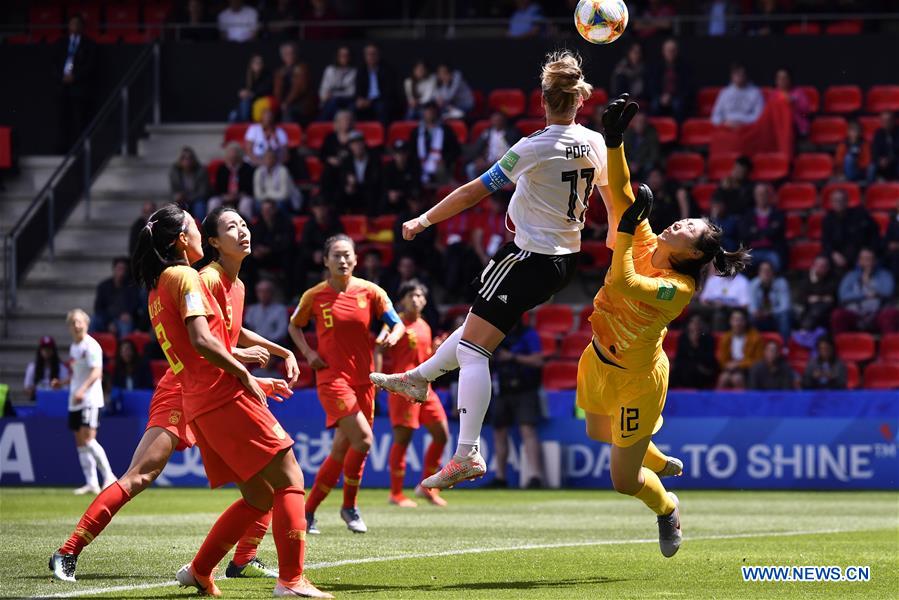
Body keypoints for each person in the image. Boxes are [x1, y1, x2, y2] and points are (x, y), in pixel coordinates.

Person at [49, 205, 330, 597]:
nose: (243, 230)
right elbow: (204, 340)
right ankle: (69, 550)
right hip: (192, 388)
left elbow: (222, 333)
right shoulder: (198, 277)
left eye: (244, 224)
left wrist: (275, 354)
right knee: (144, 475)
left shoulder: (211, 282)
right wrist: (245, 370)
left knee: (261, 493)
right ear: (192, 239)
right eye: (225, 226)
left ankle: (229, 562)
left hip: (203, 386)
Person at [372, 51, 612, 490]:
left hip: (529, 257)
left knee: (473, 351)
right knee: (473, 329)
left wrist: (423, 220)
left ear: (543, 99)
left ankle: (467, 453)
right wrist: (616, 235)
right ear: (581, 100)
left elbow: (473, 192)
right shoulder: (596, 142)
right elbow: (612, 193)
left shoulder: (534, 146)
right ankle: (417, 379)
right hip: (565, 260)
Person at [576, 97, 749, 558]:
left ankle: (667, 506)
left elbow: (623, 282)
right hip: (598, 356)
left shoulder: (680, 288)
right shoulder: (647, 238)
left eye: (691, 227)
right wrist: (615, 142)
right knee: (598, 433)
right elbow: (623, 192)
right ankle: (650, 451)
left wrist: (626, 230)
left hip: (638, 379)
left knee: (622, 480)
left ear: (693, 253)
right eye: (688, 219)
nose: (682, 221)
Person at [289, 234, 405, 535]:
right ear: (325, 261)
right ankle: (349, 506)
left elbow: (397, 322)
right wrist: (308, 353)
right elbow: (294, 325)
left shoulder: (371, 291)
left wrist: (393, 335)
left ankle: (308, 512)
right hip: (332, 379)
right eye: (336, 255)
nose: (342, 260)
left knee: (342, 448)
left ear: (356, 259)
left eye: (347, 255)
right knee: (364, 440)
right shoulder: (314, 295)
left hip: (365, 380)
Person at [374, 280, 449, 507]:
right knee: (403, 439)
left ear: (425, 301)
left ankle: (427, 488)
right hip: (403, 388)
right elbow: (378, 347)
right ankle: (396, 494)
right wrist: (379, 377)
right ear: (402, 300)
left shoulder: (425, 326)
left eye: (419, 296)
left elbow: (425, 359)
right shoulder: (394, 323)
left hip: (426, 388)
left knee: (442, 435)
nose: (416, 300)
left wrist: (436, 350)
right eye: (411, 296)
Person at [65, 309, 115, 495]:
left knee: (88, 439)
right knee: (80, 442)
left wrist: (82, 390)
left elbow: (96, 372)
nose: (76, 325)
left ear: (86, 324)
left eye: (79, 322)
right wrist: (62, 383)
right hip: (75, 399)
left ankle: (109, 476)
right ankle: (91, 482)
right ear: (69, 327)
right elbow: (76, 373)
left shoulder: (91, 346)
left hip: (89, 399)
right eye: (73, 322)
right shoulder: (74, 347)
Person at [491, 319, 545, 489]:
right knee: (499, 432)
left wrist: (512, 357)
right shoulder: (496, 334)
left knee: (527, 430)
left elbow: (538, 360)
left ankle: (535, 477)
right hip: (501, 388)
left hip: (525, 389)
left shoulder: (528, 334)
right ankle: (500, 477)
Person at [54, 13, 96, 153]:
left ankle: (79, 149)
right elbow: (53, 63)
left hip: (79, 88)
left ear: (82, 27)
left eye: (78, 24)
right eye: (72, 23)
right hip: (62, 87)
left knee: (79, 119)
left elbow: (90, 65)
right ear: (68, 26)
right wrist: (62, 77)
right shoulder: (61, 43)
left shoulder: (89, 44)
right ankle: (61, 149)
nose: (75, 27)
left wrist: (75, 77)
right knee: (62, 120)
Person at [830, 248, 897, 333]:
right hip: (854, 313)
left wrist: (867, 282)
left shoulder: (884, 275)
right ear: (859, 261)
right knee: (838, 315)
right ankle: (841, 341)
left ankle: (890, 341)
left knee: (890, 314)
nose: (867, 262)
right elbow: (843, 296)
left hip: (877, 313)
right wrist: (865, 295)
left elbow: (887, 292)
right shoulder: (850, 276)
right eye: (864, 259)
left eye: (870, 259)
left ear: (875, 261)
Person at [822, 188, 880, 271]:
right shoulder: (828, 219)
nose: (839, 203)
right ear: (831, 203)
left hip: (859, 253)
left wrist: (868, 250)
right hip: (837, 254)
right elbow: (825, 241)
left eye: (841, 200)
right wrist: (833, 254)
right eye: (835, 201)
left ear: (847, 201)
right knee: (821, 262)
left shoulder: (860, 214)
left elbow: (874, 234)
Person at [410, 101, 462, 186]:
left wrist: (444, 160)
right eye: (428, 111)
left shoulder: (446, 130)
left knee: (441, 170)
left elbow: (456, 150)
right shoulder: (416, 132)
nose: (430, 113)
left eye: (432, 111)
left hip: (441, 165)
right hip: (420, 164)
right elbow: (411, 152)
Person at [738, 183, 786, 272]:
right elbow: (744, 234)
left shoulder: (777, 214)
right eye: (759, 194)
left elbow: (777, 232)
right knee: (741, 264)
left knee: (776, 261)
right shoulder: (748, 215)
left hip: (771, 250)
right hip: (753, 251)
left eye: (764, 194)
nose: (761, 197)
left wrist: (756, 232)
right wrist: (768, 230)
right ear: (754, 196)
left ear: (768, 196)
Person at [92, 257, 142, 338]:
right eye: (119, 268)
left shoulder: (131, 287)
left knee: (126, 325)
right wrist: (108, 323)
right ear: (114, 269)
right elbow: (98, 308)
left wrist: (128, 314)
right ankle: (88, 344)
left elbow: (135, 305)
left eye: (124, 269)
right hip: (107, 318)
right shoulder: (103, 286)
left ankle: (124, 345)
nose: (122, 271)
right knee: (94, 319)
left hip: (123, 319)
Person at [465, 111, 519, 182]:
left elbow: (515, 152)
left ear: (504, 121)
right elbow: (478, 147)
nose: (497, 122)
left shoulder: (512, 133)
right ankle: (475, 188)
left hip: (504, 162)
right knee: (470, 168)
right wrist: (479, 158)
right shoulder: (488, 132)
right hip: (488, 161)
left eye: (499, 120)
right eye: (494, 120)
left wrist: (494, 163)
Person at [337, 130, 383, 214]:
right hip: (354, 192)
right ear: (350, 146)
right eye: (354, 144)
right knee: (341, 194)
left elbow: (376, 180)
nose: (357, 146)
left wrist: (357, 184)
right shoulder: (347, 161)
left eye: (359, 143)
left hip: (369, 191)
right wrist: (349, 184)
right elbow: (342, 177)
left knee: (373, 194)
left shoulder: (374, 159)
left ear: (364, 144)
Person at [716, 308, 763, 390]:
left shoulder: (755, 337)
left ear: (745, 322)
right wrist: (728, 365)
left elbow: (758, 360)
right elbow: (721, 358)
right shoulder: (726, 337)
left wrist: (739, 365)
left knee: (737, 378)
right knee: (723, 378)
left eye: (740, 320)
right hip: (729, 368)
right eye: (735, 320)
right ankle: (716, 398)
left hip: (748, 369)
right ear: (730, 322)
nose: (737, 323)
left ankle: (744, 398)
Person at [648, 39, 694, 122]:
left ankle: (677, 129)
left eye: (673, 50)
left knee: (679, 105)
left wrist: (671, 96)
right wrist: (661, 97)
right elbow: (652, 85)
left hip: (677, 97)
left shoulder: (684, 67)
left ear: (677, 51)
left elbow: (687, 88)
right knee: (654, 105)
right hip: (661, 97)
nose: (670, 53)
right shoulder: (656, 67)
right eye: (668, 50)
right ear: (663, 52)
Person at [208, 142, 255, 217]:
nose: (232, 159)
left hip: (241, 196)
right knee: (213, 202)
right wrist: (225, 196)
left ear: (240, 157)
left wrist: (239, 195)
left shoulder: (248, 168)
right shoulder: (221, 169)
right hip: (225, 196)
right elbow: (217, 188)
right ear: (226, 157)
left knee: (246, 203)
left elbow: (250, 188)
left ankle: (245, 223)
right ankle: (212, 223)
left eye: (235, 157)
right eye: (230, 157)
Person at [748, 260, 791, 342]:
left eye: (768, 270)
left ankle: (785, 345)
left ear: (773, 272)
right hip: (761, 318)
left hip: (776, 317)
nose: (765, 273)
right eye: (763, 270)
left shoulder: (781, 283)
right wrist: (755, 312)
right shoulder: (753, 284)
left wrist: (770, 312)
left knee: (784, 316)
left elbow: (785, 307)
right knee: (751, 317)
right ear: (759, 272)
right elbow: (751, 306)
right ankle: (753, 344)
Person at [355, 44, 399, 124]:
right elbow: (358, 89)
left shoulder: (387, 70)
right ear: (365, 56)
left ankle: (382, 131)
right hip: (365, 100)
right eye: (368, 54)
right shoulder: (361, 70)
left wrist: (370, 101)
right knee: (353, 107)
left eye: (373, 54)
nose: (371, 57)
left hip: (381, 100)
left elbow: (388, 92)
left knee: (382, 107)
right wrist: (360, 99)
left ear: (378, 55)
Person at [670, 315, 717, 389]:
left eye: (698, 322)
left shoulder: (708, 338)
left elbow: (709, 359)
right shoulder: (683, 338)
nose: (696, 325)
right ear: (689, 325)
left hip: (702, 369)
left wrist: (696, 344)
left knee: (697, 372)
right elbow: (680, 357)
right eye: (693, 322)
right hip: (685, 368)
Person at [273, 42, 315, 124]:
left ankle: (288, 132)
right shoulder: (280, 72)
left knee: (288, 111)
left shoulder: (302, 68)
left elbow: (299, 89)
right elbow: (277, 91)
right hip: (283, 103)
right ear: (282, 56)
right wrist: (281, 103)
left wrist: (286, 103)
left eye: (292, 53)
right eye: (286, 54)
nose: (290, 56)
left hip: (301, 104)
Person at [795, 255, 838, 329]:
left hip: (826, 309)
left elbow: (831, 296)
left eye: (822, 266)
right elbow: (800, 297)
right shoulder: (806, 278)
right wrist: (814, 280)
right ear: (813, 266)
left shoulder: (833, 279)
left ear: (828, 268)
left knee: (818, 309)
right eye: (817, 265)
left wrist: (817, 297)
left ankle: (806, 329)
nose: (819, 268)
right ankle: (805, 329)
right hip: (808, 308)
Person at [229, 54, 273, 123]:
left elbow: (266, 90)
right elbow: (241, 89)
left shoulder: (267, 76)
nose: (258, 64)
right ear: (251, 64)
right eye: (255, 62)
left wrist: (252, 94)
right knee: (233, 115)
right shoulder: (247, 75)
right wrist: (242, 93)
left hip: (260, 101)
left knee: (245, 103)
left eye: (260, 63)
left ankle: (246, 124)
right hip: (247, 101)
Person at [255, 149, 301, 214]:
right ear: (263, 159)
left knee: (279, 205)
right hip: (266, 200)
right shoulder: (258, 172)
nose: (269, 160)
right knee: (258, 205)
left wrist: (268, 195)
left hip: (285, 200)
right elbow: (258, 194)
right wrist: (268, 198)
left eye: (271, 158)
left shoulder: (283, 171)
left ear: (275, 159)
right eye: (267, 158)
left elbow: (284, 194)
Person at [23, 336, 69, 401]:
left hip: (55, 401)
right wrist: (33, 391)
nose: (46, 351)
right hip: (38, 401)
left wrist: (58, 387)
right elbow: (27, 388)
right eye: (44, 348)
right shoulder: (32, 367)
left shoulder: (61, 367)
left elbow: (66, 388)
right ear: (40, 350)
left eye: (49, 348)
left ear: (53, 350)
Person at [382, 140, 422, 214]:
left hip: (409, 201)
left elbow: (416, 187)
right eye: (398, 153)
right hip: (393, 202)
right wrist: (389, 193)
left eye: (403, 153)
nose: (401, 156)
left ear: (407, 154)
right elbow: (385, 187)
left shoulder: (413, 167)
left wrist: (404, 195)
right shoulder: (388, 169)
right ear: (394, 155)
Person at [245, 280, 289, 346]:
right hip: (254, 344)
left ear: (272, 293)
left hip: (274, 344)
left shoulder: (281, 310)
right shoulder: (252, 309)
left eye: (267, 291)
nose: (263, 294)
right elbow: (248, 329)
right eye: (260, 291)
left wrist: (267, 343)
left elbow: (282, 332)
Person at [169, 147, 209, 218]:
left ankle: (201, 224)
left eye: (190, 158)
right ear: (180, 160)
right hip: (182, 200)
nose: (187, 160)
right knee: (174, 207)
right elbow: (174, 190)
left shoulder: (200, 171)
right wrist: (177, 196)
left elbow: (203, 192)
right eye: (184, 158)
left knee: (199, 206)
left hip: (197, 199)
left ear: (194, 159)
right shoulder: (175, 172)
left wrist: (187, 197)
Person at [318, 46, 356, 121]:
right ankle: (321, 124)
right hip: (329, 100)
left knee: (335, 101)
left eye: (346, 55)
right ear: (337, 56)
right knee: (330, 103)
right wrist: (324, 96)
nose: (344, 58)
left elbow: (351, 92)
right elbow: (323, 89)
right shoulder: (330, 70)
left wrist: (333, 94)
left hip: (346, 101)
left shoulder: (354, 72)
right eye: (341, 55)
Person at [622, 112, 660, 181]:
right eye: (638, 122)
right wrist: (629, 163)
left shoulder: (652, 134)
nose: (640, 124)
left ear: (646, 123)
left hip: (643, 165)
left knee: (650, 167)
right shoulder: (627, 134)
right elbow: (622, 152)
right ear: (634, 123)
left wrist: (639, 165)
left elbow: (654, 156)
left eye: (642, 122)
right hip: (629, 164)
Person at [773, 67, 810, 137]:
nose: (782, 80)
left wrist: (794, 104)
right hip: (777, 127)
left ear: (790, 79)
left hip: (796, 126)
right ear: (776, 81)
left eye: (784, 78)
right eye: (779, 78)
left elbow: (805, 113)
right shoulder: (773, 95)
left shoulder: (798, 92)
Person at [869, 111, 899, 182]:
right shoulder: (878, 134)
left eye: (888, 120)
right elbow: (874, 151)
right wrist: (879, 160)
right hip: (882, 164)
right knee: (871, 167)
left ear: (894, 121)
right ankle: (869, 187)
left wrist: (890, 159)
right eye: (883, 120)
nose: (886, 123)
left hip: (895, 162)